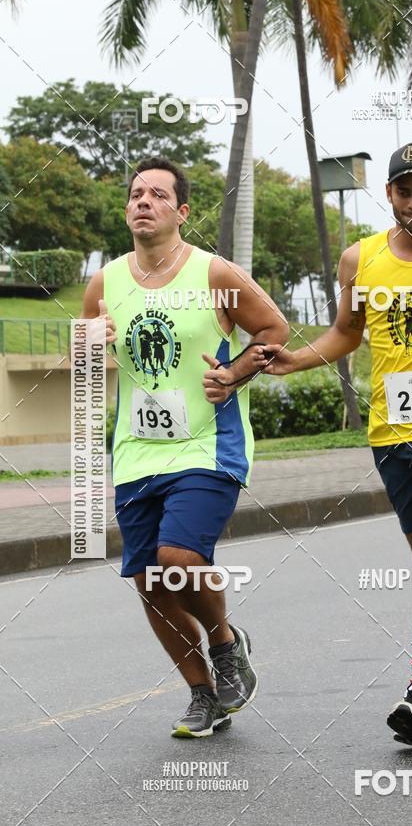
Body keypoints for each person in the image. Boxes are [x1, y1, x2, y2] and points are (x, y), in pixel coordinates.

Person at [257, 142, 412, 747]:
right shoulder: (358, 260)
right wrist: (294, 363)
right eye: (404, 191)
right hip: (392, 433)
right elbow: (346, 332)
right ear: (388, 194)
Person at [82, 156, 288, 738]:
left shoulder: (216, 274)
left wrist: (236, 372)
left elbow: (273, 332)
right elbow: (86, 363)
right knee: (150, 582)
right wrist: (87, 344)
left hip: (207, 446)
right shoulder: (105, 282)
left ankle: (225, 644)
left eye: (157, 195)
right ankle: (203, 695)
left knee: (177, 562)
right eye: (135, 194)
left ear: (182, 211)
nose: (143, 202)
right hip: (136, 451)